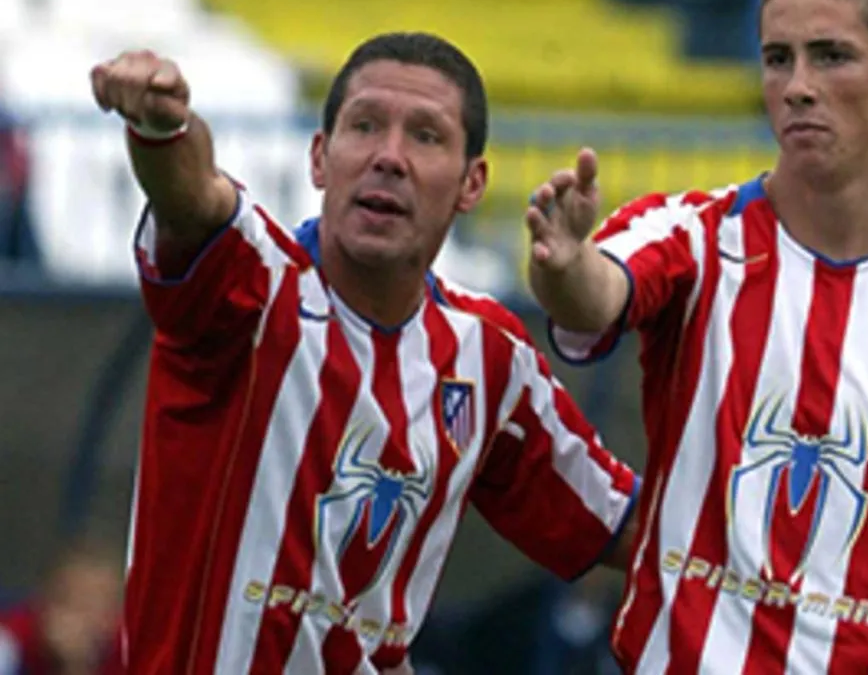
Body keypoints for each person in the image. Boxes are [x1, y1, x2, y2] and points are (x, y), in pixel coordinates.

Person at [525, 0, 868, 673]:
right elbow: (599, 294)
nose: (796, 84)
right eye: (776, 58)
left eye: (830, 56)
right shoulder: (691, 235)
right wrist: (564, 266)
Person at [89, 33, 639, 673]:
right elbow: (193, 199)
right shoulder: (251, 289)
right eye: (365, 126)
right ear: (320, 158)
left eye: (426, 136)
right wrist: (162, 131)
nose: (389, 157)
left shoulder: (489, 358)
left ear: (472, 184)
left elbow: (629, 527)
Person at [0, 537, 124, 675]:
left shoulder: (133, 649)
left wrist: (76, 664)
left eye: (96, 606)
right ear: (42, 601)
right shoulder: (13, 639)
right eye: (71, 603)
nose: (80, 622)